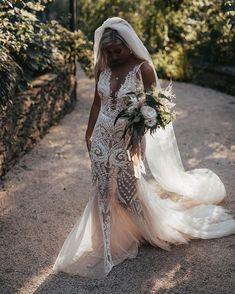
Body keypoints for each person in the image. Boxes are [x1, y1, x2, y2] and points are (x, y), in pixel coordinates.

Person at [53, 17, 235, 278]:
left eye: (117, 51)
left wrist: (140, 135)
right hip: (102, 139)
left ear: (128, 46)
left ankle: (142, 229)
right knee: (102, 190)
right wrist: (88, 132)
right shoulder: (102, 68)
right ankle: (105, 243)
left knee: (128, 195)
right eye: (109, 52)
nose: (113, 56)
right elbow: (96, 103)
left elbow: (156, 109)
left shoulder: (143, 69)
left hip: (126, 141)